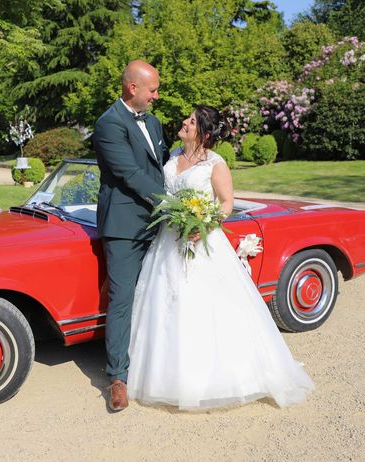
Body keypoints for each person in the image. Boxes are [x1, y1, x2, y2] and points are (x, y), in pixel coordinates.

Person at [127, 106, 314, 409]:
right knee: (165, 302)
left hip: (202, 241)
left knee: (204, 305)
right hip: (168, 241)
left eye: (192, 121)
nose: (185, 122)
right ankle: (165, 375)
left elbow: (226, 204)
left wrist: (204, 225)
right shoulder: (172, 155)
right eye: (187, 118)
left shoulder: (216, 164)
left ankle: (212, 378)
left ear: (204, 132)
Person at [93, 60, 170, 411]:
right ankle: (118, 378)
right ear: (132, 88)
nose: (156, 96)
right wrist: (171, 205)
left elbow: (163, 165)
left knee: (162, 291)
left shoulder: (153, 122)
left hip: (160, 222)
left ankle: (160, 363)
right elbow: (130, 173)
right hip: (125, 227)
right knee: (122, 298)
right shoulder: (108, 124)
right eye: (152, 89)